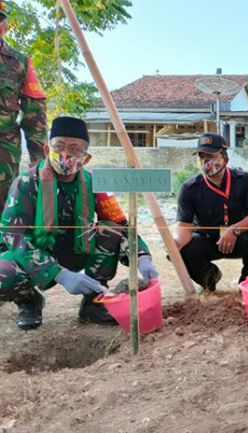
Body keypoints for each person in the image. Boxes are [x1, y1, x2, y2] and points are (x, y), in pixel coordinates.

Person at [0, 117, 157, 330]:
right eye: (59, 146)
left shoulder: (95, 183)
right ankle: (29, 301)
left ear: (86, 158)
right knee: (3, 273)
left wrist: (142, 256)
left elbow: (120, 223)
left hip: (75, 248)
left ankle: (93, 303)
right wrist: (59, 274)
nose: (66, 154)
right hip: (35, 254)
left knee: (110, 230)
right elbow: (14, 237)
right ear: (47, 150)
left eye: (75, 149)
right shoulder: (26, 183)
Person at [174, 133, 248, 291]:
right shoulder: (190, 188)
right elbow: (184, 226)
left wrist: (235, 230)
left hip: (240, 239)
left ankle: (245, 283)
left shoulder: (244, 180)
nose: (206, 161)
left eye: (211, 156)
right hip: (208, 241)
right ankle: (210, 279)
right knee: (184, 250)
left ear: (225, 159)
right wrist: (176, 243)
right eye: (202, 156)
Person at [0, 1, 48, 212]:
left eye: (0, 19)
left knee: (3, 210)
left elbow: (34, 115)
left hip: (3, 150)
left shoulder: (20, 63)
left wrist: (39, 164)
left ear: (5, 25)